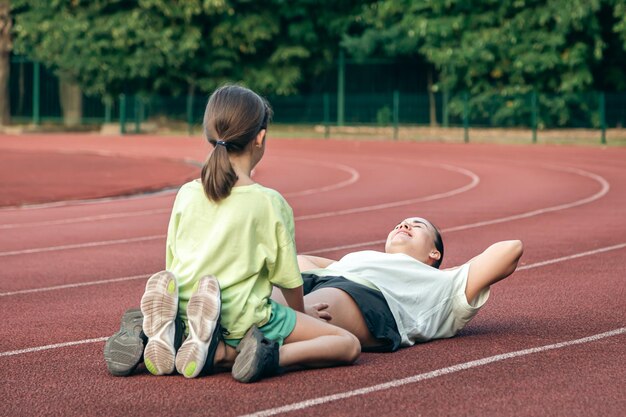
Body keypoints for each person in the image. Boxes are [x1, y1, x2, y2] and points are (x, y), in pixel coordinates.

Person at [104, 85, 360, 381]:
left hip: (188, 312)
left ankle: (166, 335)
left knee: (236, 299)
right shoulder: (268, 202)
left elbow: (172, 265)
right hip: (243, 321)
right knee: (346, 344)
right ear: (260, 137)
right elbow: (288, 279)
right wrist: (302, 314)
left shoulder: (186, 194)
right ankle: (250, 354)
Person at [272, 217, 523, 351]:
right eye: (400, 224)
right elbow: (302, 260)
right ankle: (235, 348)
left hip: (366, 297)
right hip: (323, 280)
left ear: (434, 253)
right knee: (257, 305)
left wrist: (455, 272)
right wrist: (342, 265)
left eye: (417, 225)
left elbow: (511, 249)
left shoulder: (445, 283)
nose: (404, 225)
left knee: (276, 321)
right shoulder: (359, 258)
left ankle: (246, 350)